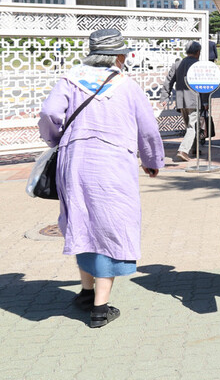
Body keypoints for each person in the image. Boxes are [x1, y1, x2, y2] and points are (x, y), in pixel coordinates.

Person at [38, 28, 164, 328]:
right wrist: (152, 161)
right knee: (110, 226)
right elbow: (147, 129)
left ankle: (85, 291)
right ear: (119, 56)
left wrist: (56, 139)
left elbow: (49, 113)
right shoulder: (127, 85)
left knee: (81, 221)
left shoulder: (69, 79)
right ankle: (100, 308)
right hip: (112, 163)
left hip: (74, 162)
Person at [163, 41, 203, 162]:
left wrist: (165, 96)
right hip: (194, 100)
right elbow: (204, 85)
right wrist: (205, 102)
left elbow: (169, 80)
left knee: (190, 126)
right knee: (192, 126)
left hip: (181, 100)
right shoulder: (198, 65)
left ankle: (195, 148)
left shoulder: (177, 64)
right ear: (197, 52)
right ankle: (183, 150)